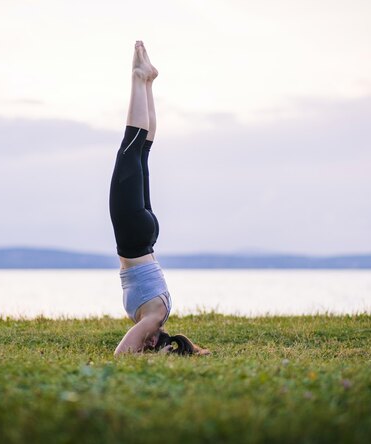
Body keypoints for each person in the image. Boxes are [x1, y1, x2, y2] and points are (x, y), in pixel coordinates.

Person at [109, 41, 209, 356]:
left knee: (140, 152)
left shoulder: (160, 313)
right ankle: (140, 79)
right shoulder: (153, 319)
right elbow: (120, 356)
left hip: (147, 238)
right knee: (131, 148)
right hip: (135, 238)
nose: (144, 342)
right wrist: (147, 355)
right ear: (155, 343)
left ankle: (147, 82)